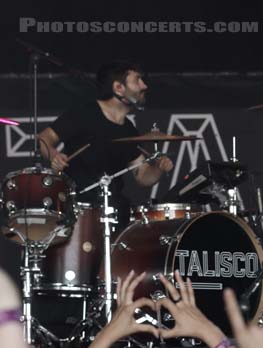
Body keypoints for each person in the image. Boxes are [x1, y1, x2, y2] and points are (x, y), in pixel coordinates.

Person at [37, 60, 173, 229]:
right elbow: (43, 138)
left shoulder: (129, 129)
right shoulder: (84, 112)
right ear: (118, 88)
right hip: (77, 207)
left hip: (112, 210)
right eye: (137, 80)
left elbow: (142, 175)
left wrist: (158, 168)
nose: (144, 85)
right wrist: (54, 156)